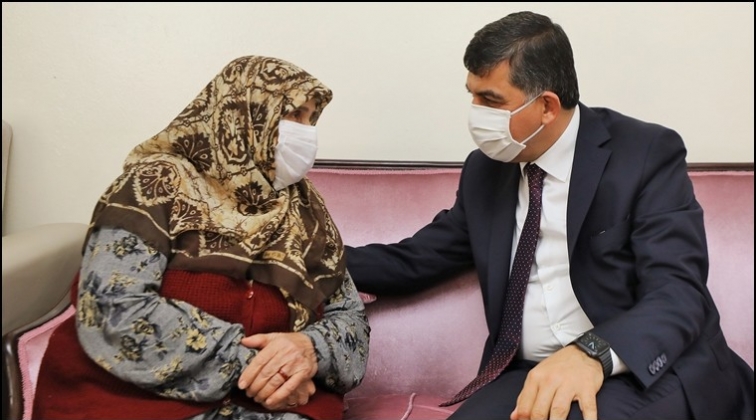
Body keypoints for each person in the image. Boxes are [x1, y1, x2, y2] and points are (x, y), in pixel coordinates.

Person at [345, 11, 754, 420]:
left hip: (644, 368)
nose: (475, 113)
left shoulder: (644, 154)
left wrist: (591, 352)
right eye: (472, 96)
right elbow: (416, 259)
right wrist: (311, 262)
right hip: (530, 373)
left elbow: (678, 293)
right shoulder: (485, 171)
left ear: (546, 106)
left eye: (491, 101)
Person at [32, 55, 370, 420]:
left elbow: (349, 319)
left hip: (275, 405)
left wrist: (310, 349)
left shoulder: (306, 208)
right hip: (135, 402)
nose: (306, 132)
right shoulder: (155, 184)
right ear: (241, 114)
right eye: (293, 115)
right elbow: (113, 306)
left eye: (310, 118)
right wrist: (262, 369)